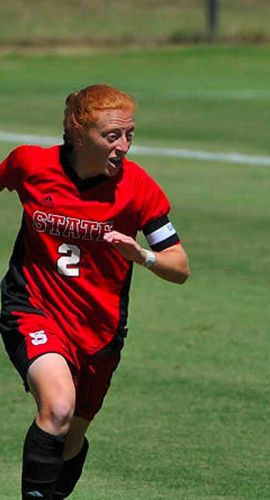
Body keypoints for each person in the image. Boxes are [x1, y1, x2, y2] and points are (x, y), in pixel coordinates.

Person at [0, 84, 190, 499]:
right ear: (77, 131)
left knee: (69, 442)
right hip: (32, 307)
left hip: (100, 332)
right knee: (58, 407)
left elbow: (180, 267)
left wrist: (142, 255)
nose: (123, 146)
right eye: (112, 136)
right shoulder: (30, 164)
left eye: (129, 135)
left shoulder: (138, 188)